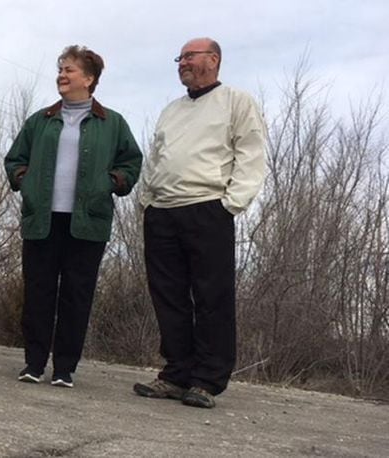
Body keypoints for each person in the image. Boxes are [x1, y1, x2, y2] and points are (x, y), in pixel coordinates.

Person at [134, 37, 267, 407]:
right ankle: (176, 374)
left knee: (211, 297)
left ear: (214, 59)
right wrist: (146, 200)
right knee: (168, 296)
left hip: (207, 208)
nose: (182, 63)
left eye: (189, 56)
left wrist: (230, 204)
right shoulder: (171, 110)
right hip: (162, 211)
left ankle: (207, 380)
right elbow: (157, 157)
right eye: (179, 58)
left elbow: (252, 154)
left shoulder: (237, 102)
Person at [5, 46, 143, 388]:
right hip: (42, 220)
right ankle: (33, 363)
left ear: (89, 78)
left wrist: (110, 183)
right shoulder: (41, 120)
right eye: (60, 70)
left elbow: (132, 162)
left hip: (88, 223)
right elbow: (14, 159)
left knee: (76, 296)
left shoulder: (112, 123)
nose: (62, 76)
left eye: (69, 70)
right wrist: (26, 182)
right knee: (38, 293)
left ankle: (65, 368)